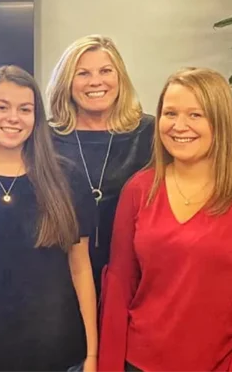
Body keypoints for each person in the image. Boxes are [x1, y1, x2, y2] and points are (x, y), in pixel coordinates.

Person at [98, 67, 232, 372]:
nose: (179, 126)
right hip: (139, 362)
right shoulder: (139, 189)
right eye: (170, 113)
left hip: (226, 364)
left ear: (220, 121)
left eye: (195, 115)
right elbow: (119, 286)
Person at [0, 65, 98, 372]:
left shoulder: (66, 177)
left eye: (25, 109)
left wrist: (93, 354)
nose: (13, 118)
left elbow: (81, 269)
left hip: (57, 350)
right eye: (2, 107)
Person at [46, 35, 153, 296]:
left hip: (134, 275)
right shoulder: (45, 139)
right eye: (83, 73)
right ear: (67, 82)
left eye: (106, 71)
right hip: (61, 279)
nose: (96, 82)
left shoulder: (149, 133)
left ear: (120, 78)